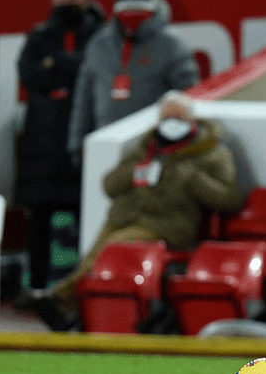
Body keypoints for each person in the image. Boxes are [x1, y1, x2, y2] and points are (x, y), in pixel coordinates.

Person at [30, 90, 244, 330]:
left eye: (178, 118)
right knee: (92, 257)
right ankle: (71, 305)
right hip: (124, 218)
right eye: (166, 118)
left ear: (192, 120)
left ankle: (61, 298)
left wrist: (194, 179)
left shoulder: (211, 152)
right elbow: (109, 186)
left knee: (110, 251)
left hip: (168, 225)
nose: (171, 124)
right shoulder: (146, 148)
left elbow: (230, 199)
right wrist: (134, 173)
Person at [15, 0, 105, 292]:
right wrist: (69, 68)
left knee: (86, 220)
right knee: (38, 221)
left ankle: (80, 291)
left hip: (81, 147)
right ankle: (37, 289)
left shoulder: (101, 36)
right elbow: (29, 75)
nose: (66, 4)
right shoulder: (39, 35)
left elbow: (91, 73)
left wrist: (56, 63)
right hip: (40, 150)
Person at [67, 0, 200, 167]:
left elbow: (189, 97)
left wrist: (182, 141)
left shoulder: (171, 45)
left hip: (154, 148)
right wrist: (77, 144)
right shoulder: (98, 45)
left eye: (139, 14)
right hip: (105, 145)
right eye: (126, 14)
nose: (132, 22)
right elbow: (83, 100)